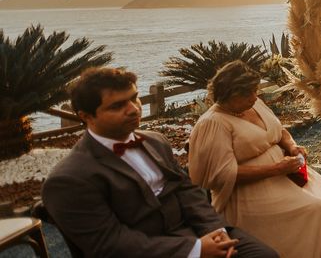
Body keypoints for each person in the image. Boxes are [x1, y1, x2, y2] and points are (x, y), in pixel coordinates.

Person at [41, 67, 277, 258]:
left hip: (195, 232)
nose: (133, 110)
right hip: (149, 250)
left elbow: (188, 191)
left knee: (264, 255)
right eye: (117, 106)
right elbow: (110, 244)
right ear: (86, 116)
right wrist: (194, 251)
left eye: (134, 99)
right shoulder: (69, 179)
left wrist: (215, 230)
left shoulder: (155, 142)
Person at [188, 61, 321, 258]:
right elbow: (221, 175)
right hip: (249, 192)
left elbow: (279, 131)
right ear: (229, 95)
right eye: (247, 94)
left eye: (255, 91)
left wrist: (292, 147)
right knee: (314, 208)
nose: (254, 97)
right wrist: (276, 169)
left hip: (285, 173)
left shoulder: (255, 104)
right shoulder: (213, 123)